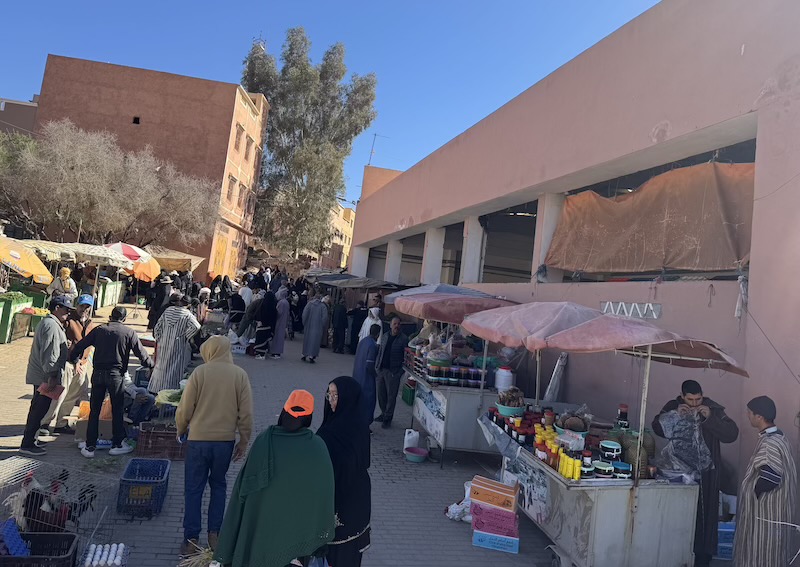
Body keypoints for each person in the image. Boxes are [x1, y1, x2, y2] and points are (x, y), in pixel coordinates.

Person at [214, 390, 335, 567]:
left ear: (284, 412)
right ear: (308, 418)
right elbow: (324, 495)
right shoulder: (317, 447)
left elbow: (243, 489)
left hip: (260, 535)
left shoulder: (264, 440)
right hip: (297, 541)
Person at [177, 336, 253, 556]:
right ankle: (215, 536)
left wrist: (181, 429)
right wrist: (243, 441)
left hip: (198, 442)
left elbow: (185, 408)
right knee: (219, 486)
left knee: (194, 489)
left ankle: (191, 540)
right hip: (224, 443)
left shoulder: (200, 373)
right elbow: (246, 414)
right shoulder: (240, 375)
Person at [652, 380, 739, 567]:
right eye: (690, 400)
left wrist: (710, 418)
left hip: (706, 476)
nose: (694, 404)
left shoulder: (712, 409)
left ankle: (702, 560)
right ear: (682, 396)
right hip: (679, 474)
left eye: (698, 399)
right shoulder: (673, 406)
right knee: (678, 516)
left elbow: (732, 434)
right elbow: (657, 427)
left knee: (704, 519)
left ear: (702, 395)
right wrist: (674, 415)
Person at [71, 306, 154, 458]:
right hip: (116, 375)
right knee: (117, 410)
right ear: (124, 319)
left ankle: (90, 446)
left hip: (98, 374)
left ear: (110, 316)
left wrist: (74, 359)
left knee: (94, 410)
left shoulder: (99, 330)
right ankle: (117, 444)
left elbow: (80, 345)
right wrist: (150, 365)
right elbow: (142, 354)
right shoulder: (128, 332)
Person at [734, 396, 798, 567]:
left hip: (768, 513)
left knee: (763, 555)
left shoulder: (770, 443)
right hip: (777, 512)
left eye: (749, 413)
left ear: (759, 417)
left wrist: (754, 493)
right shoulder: (779, 437)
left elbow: (772, 476)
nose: (747, 416)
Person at [317, 377, 371, 567]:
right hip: (352, 502)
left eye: (336, 396)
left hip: (345, 504)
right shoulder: (357, 427)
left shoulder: (331, 434)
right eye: (329, 395)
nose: (331, 401)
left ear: (348, 398)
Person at [19, 296, 72, 456]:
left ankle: (31, 439)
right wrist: (52, 376)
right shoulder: (51, 325)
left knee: (39, 408)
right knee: (39, 409)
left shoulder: (52, 324)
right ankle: (28, 443)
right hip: (45, 377)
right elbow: (50, 354)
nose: (68, 312)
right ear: (57, 308)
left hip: (43, 375)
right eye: (66, 309)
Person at [48, 293, 97, 434]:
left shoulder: (90, 323)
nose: (84, 309)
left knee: (73, 395)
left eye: (87, 307)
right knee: (60, 394)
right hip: (69, 362)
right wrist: (73, 357)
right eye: (82, 306)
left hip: (82, 364)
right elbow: (62, 339)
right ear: (77, 305)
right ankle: (45, 423)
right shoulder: (69, 320)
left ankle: (61, 423)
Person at [147, 294, 201, 394]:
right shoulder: (187, 314)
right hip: (177, 344)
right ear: (188, 305)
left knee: (160, 366)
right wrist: (186, 336)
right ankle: (170, 391)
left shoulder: (168, 311)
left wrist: (160, 338)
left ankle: (156, 388)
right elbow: (196, 326)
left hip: (164, 343)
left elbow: (157, 327)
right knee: (174, 368)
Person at [374, 317, 408, 429]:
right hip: (381, 370)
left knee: (391, 397)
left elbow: (407, 358)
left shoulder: (403, 339)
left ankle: (388, 418)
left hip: (393, 372)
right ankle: (383, 413)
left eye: (398, 324)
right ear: (390, 325)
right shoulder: (385, 336)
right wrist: (377, 367)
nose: (396, 326)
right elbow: (380, 352)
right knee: (381, 395)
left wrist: (399, 373)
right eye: (394, 324)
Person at [353, 324, 381, 427]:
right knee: (368, 402)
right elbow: (369, 364)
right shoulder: (372, 345)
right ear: (378, 334)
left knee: (358, 401)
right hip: (366, 378)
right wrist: (375, 375)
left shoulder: (363, 341)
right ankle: (365, 425)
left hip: (357, 375)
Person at [302, 294, 329, 364]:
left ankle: (304, 354)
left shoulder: (309, 304)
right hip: (318, 327)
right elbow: (325, 317)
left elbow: (304, 314)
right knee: (315, 341)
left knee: (307, 340)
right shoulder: (323, 306)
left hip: (308, 326)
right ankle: (312, 356)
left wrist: (304, 323)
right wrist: (322, 325)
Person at [252, 291, 277, 359]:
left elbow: (258, 313)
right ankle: (263, 353)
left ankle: (260, 354)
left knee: (260, 340)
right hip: (268, 326)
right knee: (265, 340)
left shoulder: (262, 304)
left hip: (261, 325)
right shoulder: (273, 306)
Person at [270, 288, 290, 359]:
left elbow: (278, 312)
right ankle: (278, 352)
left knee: (277, 337)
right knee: (280, 338)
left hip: (279, 321)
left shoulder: (281, 302)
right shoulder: (286, 302)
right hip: (283, 321)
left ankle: (275, 352)